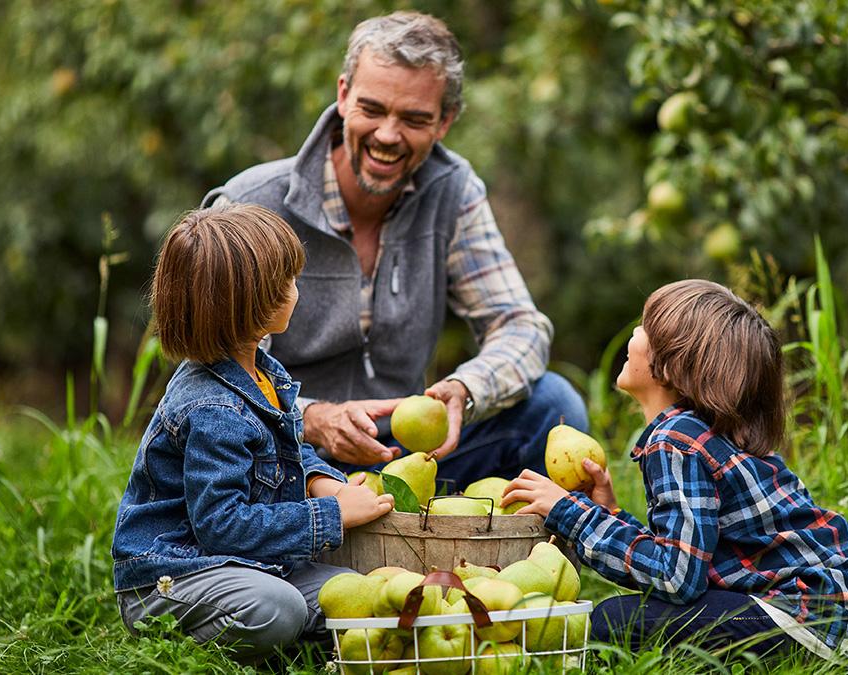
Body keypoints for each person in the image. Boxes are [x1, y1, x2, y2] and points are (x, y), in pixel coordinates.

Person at [201, 11, 587, 488]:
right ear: (343, 95)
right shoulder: (253, 202)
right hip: (284, 454)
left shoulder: (454, 191)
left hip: (411, 456)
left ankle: (529, 557)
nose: (388, 135)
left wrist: (465, 390)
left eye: (414, 118)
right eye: (373, 109)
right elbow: (216, 367)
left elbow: (520, 326)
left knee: (554, 406)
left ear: (444, 122)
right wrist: (313, 418)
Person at [503, 280, 848, 667]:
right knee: (641, 617)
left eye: (647, 328)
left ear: (673, 365)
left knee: (614, 622)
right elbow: (687, 557)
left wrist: (571, 513)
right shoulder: (703, 434)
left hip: (809, 621)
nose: (636, 331)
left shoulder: (675, 439)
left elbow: (677, 579)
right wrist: (608, 514)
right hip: (847, 618)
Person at [111, 204, 395, 662]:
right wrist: (329, 516)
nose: (297, 291)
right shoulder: (212, 407)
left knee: (356, 594)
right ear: (247, 306)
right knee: (278, 608)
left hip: (247, 565)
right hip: (174, 578)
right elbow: (222, 526)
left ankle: (285, 638)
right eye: (287, 283)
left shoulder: (263, 372)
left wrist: (316, 478)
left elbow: (285, 456)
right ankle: (191, 641)